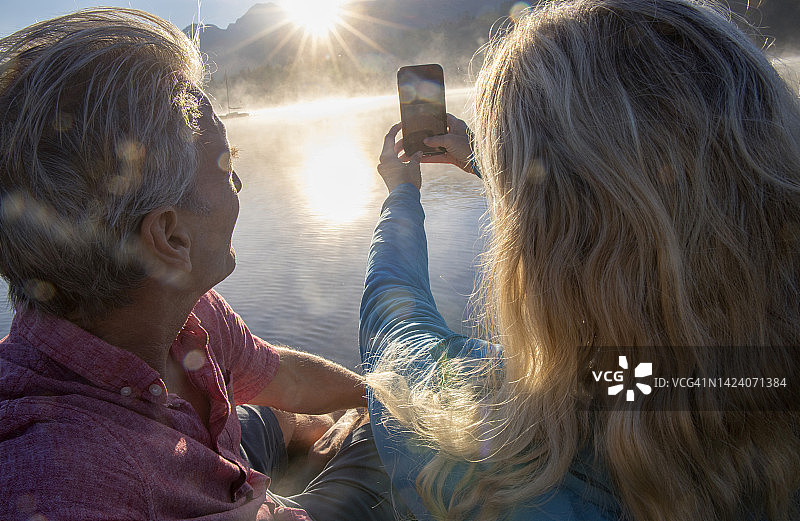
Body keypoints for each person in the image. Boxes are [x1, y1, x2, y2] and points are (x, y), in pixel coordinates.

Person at [360, 0, 800, 520]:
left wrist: (402, 193)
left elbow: (395, 329)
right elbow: (648, 197)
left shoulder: (505, 461)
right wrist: (493, 164)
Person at [0, 9, 399, 521]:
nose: (239, 186)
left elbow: (279, 375)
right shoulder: (66, 483)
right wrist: (390, 421)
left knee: (290, 410)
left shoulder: (183, 308)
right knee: (381, 448)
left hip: (209, 460)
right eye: (227, 165)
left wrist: (379, 395)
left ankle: (300, 441)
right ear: (169, 235)